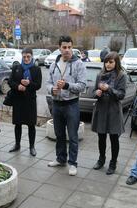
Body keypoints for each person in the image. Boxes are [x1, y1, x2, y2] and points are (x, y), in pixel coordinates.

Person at [46, 35, 86, 176]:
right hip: (57, 104)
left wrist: (67, 85)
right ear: (59, 48)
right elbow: (48, 83)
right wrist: (52, 89)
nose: (67, 50)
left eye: (69, 47)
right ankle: (61, 159)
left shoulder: (78, 64)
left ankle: (73, 163)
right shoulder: (53, 64)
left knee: (73, 136)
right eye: (64, 47)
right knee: (59, 134)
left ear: (72, 47)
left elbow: (82, 86)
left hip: (71, 104)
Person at [91, 52, 126, 175]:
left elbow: (121, 95)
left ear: (116, 63)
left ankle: (113, 163)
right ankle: (101, 160)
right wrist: (97, 93)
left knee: (114, 138)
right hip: (101, 109)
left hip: (113, 111)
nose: (108, 64)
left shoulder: (121, 76)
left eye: (111, 62)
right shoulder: (100, 74)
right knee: (101, 137)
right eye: (106, 62)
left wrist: (109, 89)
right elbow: (93, 91)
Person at [8, 48, 42, 156]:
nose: (26, 59)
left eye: (28, 57)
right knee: (17, 124)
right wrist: (18, 86)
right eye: (24, 57)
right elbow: (10, 81)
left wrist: (29, 83)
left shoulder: (36, 69)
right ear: (22, 57)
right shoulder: (16, 68)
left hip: (30, 101)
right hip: (18, 100)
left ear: (32, 57)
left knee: (31, 125)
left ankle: (32, 147)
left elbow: (38, 85)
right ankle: (17, 144)